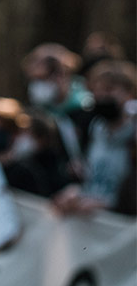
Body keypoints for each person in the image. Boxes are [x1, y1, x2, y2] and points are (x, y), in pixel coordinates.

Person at [53, 60, 137, 215]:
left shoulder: (133, 135)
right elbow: (93, 177)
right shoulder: (95, 128)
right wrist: (76, 192)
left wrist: (111, 205)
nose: (101, 96)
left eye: (109, 89)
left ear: (129, 93)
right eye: (96, 91)